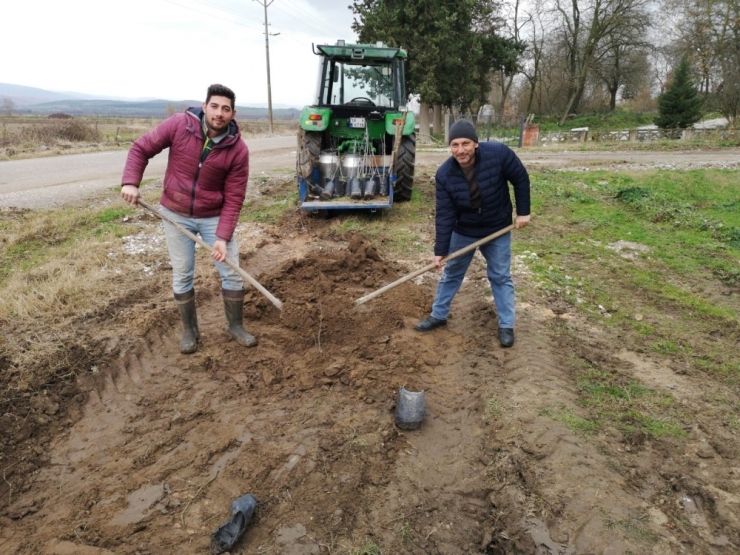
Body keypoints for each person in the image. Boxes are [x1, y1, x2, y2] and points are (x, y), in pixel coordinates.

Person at [121, 83, 256, 354]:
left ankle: (235, 326)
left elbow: (234, 198)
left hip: (213, 216)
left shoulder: (238, 150)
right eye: (214, 106)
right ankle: (190, 330)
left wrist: (222, 237)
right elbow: (141, 148)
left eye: (226, 109)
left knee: (231, 272)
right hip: (176, 214)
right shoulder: (179, 125)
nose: (219, 113)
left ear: (233, 114)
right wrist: (131, 182)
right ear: (205, 106)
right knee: (183, 274)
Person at [415, 119, 531, 348]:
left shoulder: (499, 154)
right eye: (455, 145)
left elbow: (520, 178)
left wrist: (523, 213)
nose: (460, 150)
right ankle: (438, 315)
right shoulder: (445, 174)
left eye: (465, 143)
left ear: (476, 143)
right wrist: (440, 251)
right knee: (452, 273)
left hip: (497, 227)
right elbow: (445, 214)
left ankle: (506, 325)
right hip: (464, 229)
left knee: (500, 276)